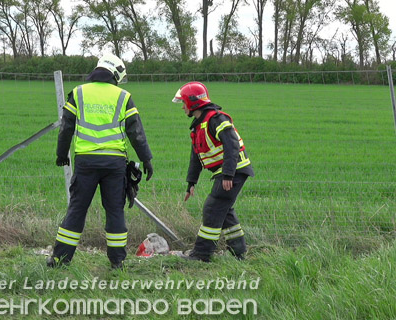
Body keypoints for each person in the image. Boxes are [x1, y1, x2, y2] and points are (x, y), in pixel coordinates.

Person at [48, 53, 154, 269]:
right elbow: (136, 132)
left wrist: (61, 154)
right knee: (115, 211)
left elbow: (67, 126)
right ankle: (117, 262)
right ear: (115, 74)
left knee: (77, 210)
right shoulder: (123, 96)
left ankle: (60, 260)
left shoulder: (78, 93)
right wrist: (146, 159)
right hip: (114, 164)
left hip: (86, 162)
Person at [172, 82, 253, 261]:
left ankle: (202, 254)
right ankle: (239, 253)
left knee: (212, 208)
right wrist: (191, 183)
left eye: (184, 103)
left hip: (234, 170)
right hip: (228, 172)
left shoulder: (216, 119)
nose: (183, 107)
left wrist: (228, 174)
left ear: (193, 103)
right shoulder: (199, 125)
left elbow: (232, 146)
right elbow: (196, 157)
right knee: (224, 211)